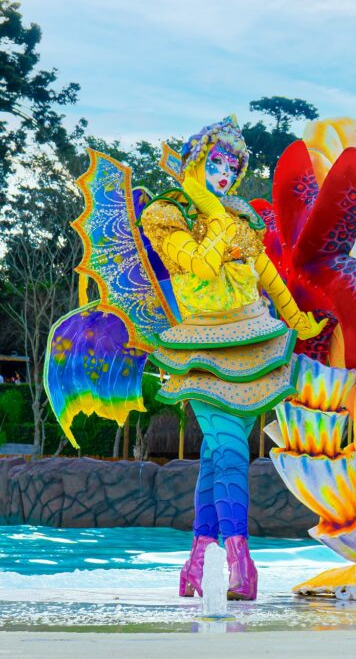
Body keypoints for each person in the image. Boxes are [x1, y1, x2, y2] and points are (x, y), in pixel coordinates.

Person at [138, 116, 324, 599]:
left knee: (216, 453)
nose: (224, 174)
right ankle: (241, 560)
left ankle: (197, 564)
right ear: (195, 162)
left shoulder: (240, 217)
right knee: (230, 450)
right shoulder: (166, 213)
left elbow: (266, 275)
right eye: (216, 162)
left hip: (254, 343)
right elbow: (199, 265)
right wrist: (212, 214)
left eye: (231, 167)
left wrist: (298, 320)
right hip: (200, 347)